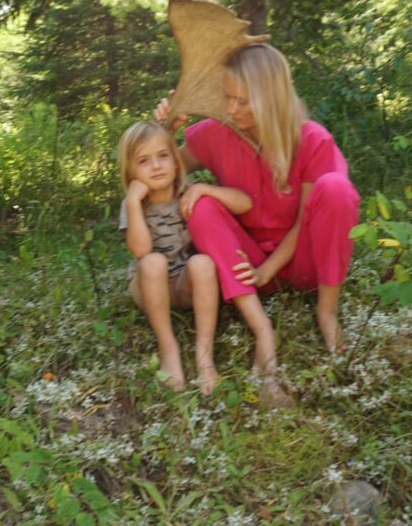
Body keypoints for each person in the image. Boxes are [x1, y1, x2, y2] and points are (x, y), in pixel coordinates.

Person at [155, 43, 361, 381]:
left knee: (336, 189)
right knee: (201, 203)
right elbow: (163, 174)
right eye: (228, 97)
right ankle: (260, 326)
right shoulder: (216, 132)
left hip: (302, 264)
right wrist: (167, 129)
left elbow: (302, 221)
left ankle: (327, 312)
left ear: (270, 99)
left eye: (243, 102)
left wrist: (270, 269)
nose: (231, 109)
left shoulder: (311, 139)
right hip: (244, 267)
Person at [118, 121, 253, 396]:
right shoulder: (133, 203)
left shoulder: (188, 192)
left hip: (183, 285)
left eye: (163, 156)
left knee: (202, 263)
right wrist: (133, 204)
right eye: (144, 161)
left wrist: (206, 189)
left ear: (176, 161)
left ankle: (204, 356)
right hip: (148, 287)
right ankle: (169, 350)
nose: (156, 166)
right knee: (152, 262)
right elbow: (141, 251)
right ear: (130, 171)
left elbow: (245, 203)